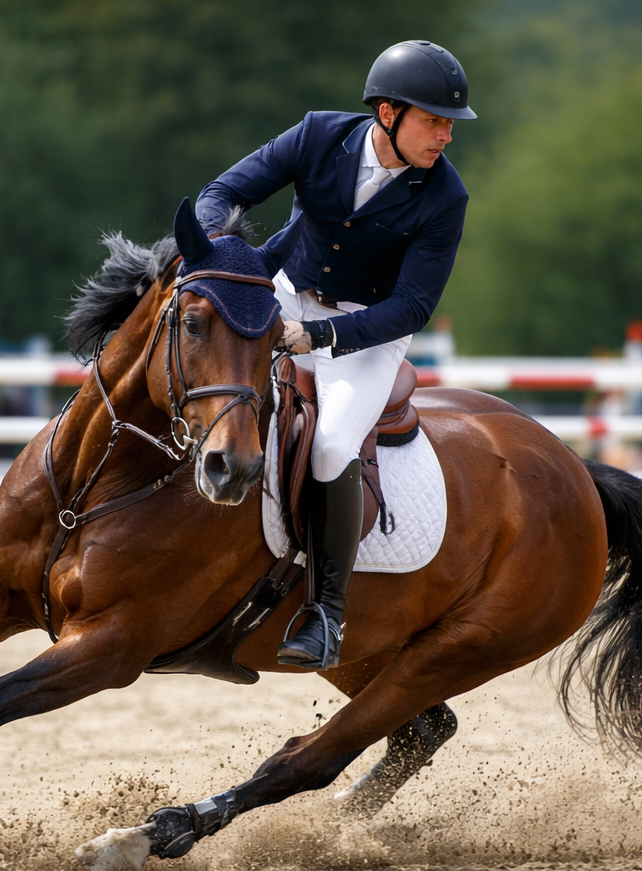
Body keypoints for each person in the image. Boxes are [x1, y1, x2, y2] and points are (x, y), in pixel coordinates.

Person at [196, 40, 475, 668]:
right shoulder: (319, 135)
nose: (445, 137)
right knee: (211, 380)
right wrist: (219, 250)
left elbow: (411, 308)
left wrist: (320, 339)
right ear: (387, 113)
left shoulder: (445, 198)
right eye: (434, 121)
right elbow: (225, 192)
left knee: (329, 445)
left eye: (449, 124)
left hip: (366, 332)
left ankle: (326, 615)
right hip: (288, 294)